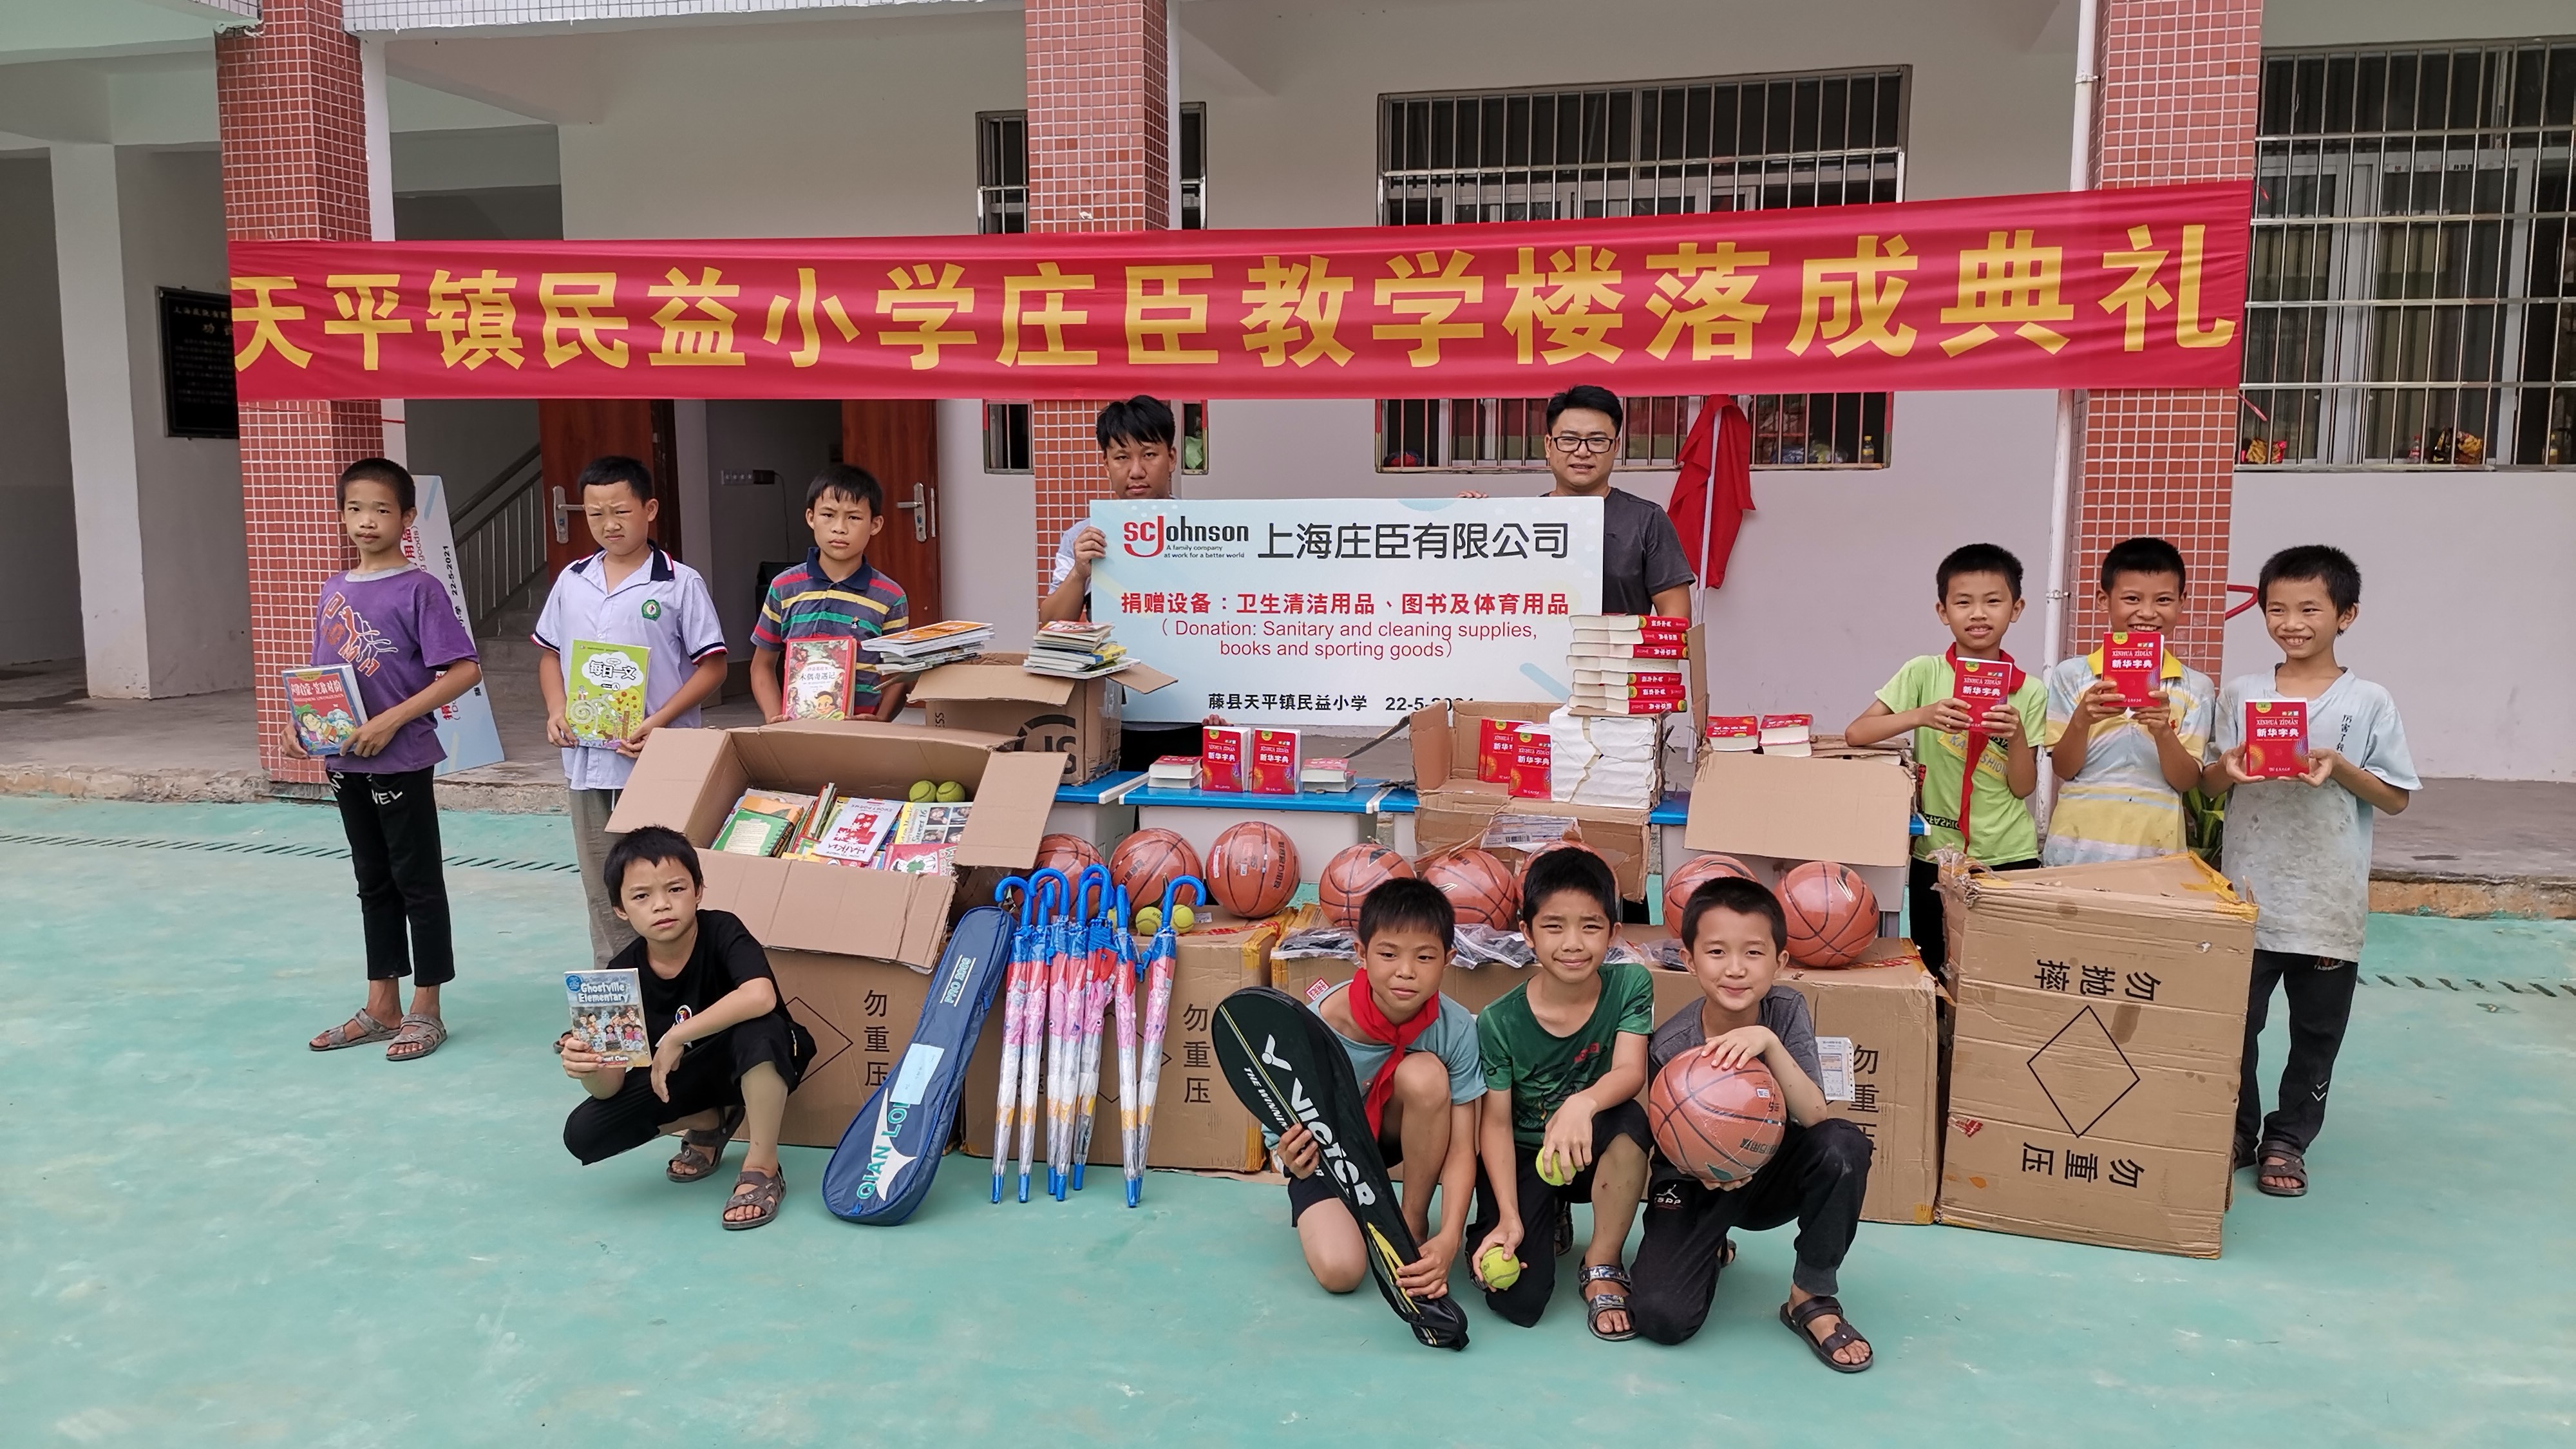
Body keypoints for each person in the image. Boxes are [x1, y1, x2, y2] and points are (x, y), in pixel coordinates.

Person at [2202, 545, 2416, 1200]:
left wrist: (2339, 767)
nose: (2290, 623)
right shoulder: (2240, 692)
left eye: (2308, 609)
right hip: (2248, 891)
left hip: (2328, 898)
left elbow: (2396, 796)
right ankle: (2234, 1132)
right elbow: (2207, 782)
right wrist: (2227, 768)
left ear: (2345, 616)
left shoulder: (2370, 700)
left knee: (2315, 1035)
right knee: (2233, 1023)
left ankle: (2288, 1138)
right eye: (2276, 609)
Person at [1628, 876, 1875, 1370]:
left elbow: (1814, 1115)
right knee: (1660, 1318)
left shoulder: (1784, 1011)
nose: (1736, 969)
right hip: (1701, 1179)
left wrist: (1767, 1041)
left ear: (1780, 962)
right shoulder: (1671, 1046)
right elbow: (1667, 1147)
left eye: (1754, 954)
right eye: (1717, 952)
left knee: (1843, 1145)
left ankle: (1811, 1297)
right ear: (1690, 959)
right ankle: (1708, 1247)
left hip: (1772, 1175)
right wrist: (1709, 1167)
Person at [290, 458, 484, 1062]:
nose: (366, 521)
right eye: (355, 508)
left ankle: (427, 1007)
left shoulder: (420, 589)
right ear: (341, 514)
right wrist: (309, 729)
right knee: (372, 882)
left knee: (417, 883)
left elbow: (464, 670)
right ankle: (381, 1005)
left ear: (405, 517)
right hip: (346, 764)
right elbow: (325, 679)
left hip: (402, 760)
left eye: (380, 509)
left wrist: (392, 720)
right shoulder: (334, 587)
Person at [560, 826, 818, 1229]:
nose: (661, 905)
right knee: (584, 1132)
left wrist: (676, 1035)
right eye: (642, 896)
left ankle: (763, 1166)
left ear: (698, 890)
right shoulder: (618, 975)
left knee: (760, 1029)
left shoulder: (722, 930)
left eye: (675, 889)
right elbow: (609, 1086)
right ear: (621, 910)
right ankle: (707, 1122)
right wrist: (588, 1068)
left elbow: (760, 996)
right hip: (686, 1078)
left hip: (755, 1058)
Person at [532, 455, 727, 967]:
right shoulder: (573, 580)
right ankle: (617, 1008)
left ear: (650, 510)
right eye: (595, 514)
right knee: (606, 887)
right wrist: (556, 708)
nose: (609, 525)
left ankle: (676, 991)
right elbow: (550, 654)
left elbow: (713, 668)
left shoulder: (679, 584)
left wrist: (657, 721)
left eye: (620, 511)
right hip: (588, 759)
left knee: (666, 883)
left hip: (658, 759)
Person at [1468, 848, 1655, 1339]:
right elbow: (1495, 1125)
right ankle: (1523, 1219)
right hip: (1527, 1157)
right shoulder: (1499, 1021)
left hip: (1586, 1143)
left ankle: (1602, 1263)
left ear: (1614, 933)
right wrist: (1509, 1217)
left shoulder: (1630, 984)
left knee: (1632, 1122)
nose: (1573, 944)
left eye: (1591, 927)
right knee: (1521, 1304)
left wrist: (1582, 1103)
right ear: (1527, 933)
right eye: (1554, 927)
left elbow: (1631, 1072)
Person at [1273, 878, 1484, 1302]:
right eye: (1388, 954)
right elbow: (1277, 1124)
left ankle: (1411, 1219)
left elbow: (1463, 1147)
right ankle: (1348, 1215)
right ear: (1361, 954)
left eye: (1425, 957)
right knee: (1341, 1272)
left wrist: (1450, 1236)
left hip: (1389, 1134)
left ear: (1449, 959)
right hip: (1325, 1153)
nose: (1406, 971)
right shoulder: (1315, 1027)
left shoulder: (1456, 1027)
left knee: (1424, 1073)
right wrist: (1289, 1158)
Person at [1844, 542, 2048, 975]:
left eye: (1993, 601)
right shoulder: (1924, 673)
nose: (1978, 613)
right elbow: (1857, 733)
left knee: (2005, 968)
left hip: (2008, 853)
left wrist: (2015, 737)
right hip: (1934, 854)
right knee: (1933, 964)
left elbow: (2024, 787)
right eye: (1963, 602)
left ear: (2017, 608)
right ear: (1943, 611)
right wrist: (1921, 715)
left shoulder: (2028, 691)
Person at [1036, 395, 1222, 769]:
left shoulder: (1212, 531)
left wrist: (1229, 697)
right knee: (1120, 821)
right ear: (1105, 463)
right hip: (1113, 715)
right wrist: (1079, 573)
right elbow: (1050, 625)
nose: (1136, 470)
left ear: (1171, 458)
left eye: (1149, 455)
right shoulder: (1083, 536)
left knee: (1184, 820)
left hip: (1195, 713)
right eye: (1122, 457)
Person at [2041, 536, 2217, 867]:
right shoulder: (2072, 675)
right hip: (2075, 851)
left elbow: (2186, 780)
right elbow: (2064, 769)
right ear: (2103, 600)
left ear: (2182, 602)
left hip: (2156, 854)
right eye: (2132, 599)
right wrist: (2081, 721)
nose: (2147, 613)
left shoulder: (2197, 687)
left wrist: (2164, 731)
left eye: (2163, 600)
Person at [1463, 384, 1697, 620]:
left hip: (1619, 656)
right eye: (1568, 440)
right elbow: (1478, 598)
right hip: (1534, 656)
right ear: (1548, 445)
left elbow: (1675, 617)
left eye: (1597, 441)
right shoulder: (1520, 521)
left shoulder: (1646, 520)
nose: (1582, 452)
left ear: (1615, 447)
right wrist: (1460, 524)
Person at [750, 464, 911, 723]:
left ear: (875, 524)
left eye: (854, 517)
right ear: (811, 517)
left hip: (861, 732)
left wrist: (881, 719)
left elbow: (900, 672)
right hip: (798, 729)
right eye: (828, 515)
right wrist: (773, 717)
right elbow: (762, 665)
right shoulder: (784, 588)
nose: (839, 528)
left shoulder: (889, 596)